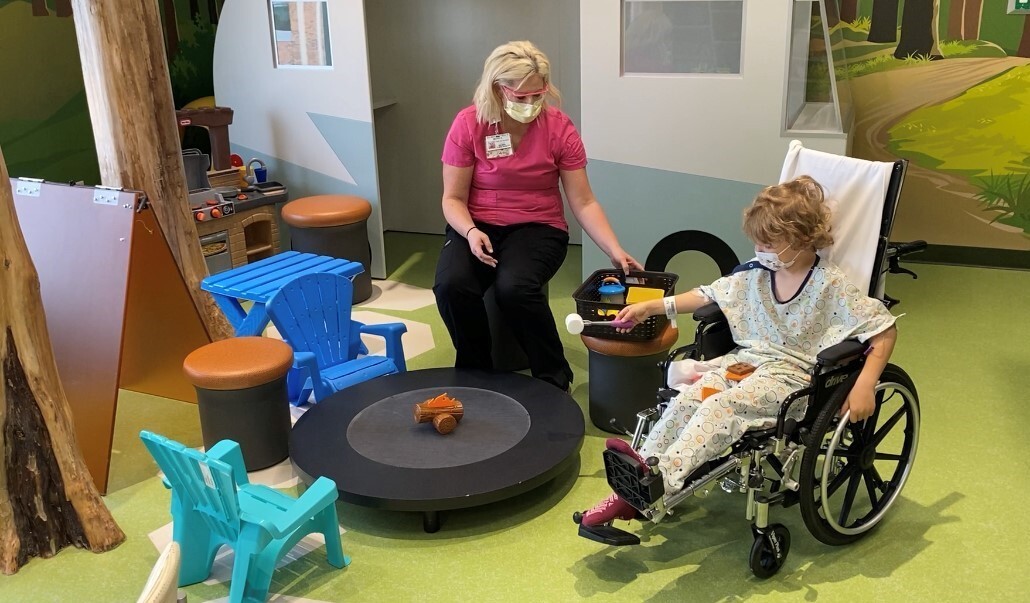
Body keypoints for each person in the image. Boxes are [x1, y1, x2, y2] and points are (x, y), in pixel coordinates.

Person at [578, 176, 899, 526]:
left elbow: (883, 329)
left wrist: (865, 383)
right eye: (757, 241)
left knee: (720, 407)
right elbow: (705, 294)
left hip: (791, 377)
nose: (760, 250)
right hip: (742, 364)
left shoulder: (831, 286)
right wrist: (650, 307)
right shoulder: (755, 274)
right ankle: (639, 474)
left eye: (769, 242)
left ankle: (660, 481)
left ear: (802, 237)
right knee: (690, 398)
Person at [434, 40, 641, 392]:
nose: (530, 104)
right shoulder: (469, 124)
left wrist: (613, 248)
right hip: (476, 224)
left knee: (514, 289)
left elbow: (584, 201)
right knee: (452, 285)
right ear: (497, 88)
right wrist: (469, 231)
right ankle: (475, 371)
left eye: (538, 95)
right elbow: (452, 199)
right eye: (521, 96)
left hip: (538, 226)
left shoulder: (559, 128)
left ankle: (553, 376)